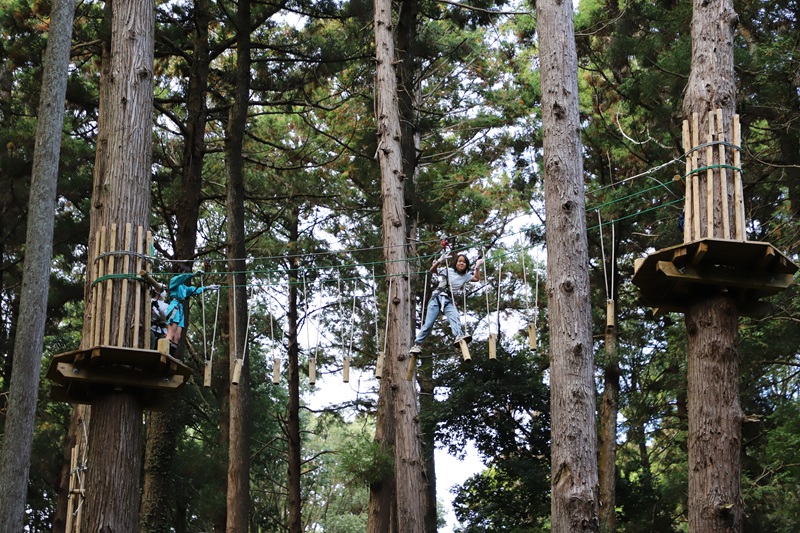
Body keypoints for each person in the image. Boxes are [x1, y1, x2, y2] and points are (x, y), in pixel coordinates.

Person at [410, 252, 484, 354]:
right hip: (437, 298)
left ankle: (459, 335)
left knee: (455, 316)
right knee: (428, 324)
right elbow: (433, 270)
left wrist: (477, 267)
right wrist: (439, 261)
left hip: (448, 300)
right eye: (459, 261)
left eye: (464, 262)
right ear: (456, 263)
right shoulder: (448, 271)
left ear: (466, 265)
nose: (461, 263)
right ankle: (416, 345)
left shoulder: (465, 276)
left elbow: (476, 278)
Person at [165, 267, 220, 356]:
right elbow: (181, 278)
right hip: (174, 306)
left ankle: (171, 355)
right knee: (171, 332)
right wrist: (193, 274)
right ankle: (165, 353)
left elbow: (195, 290)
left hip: (180, 309)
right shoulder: (174, 281)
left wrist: (208, 287)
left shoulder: (184, 288)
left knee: (177, 336)